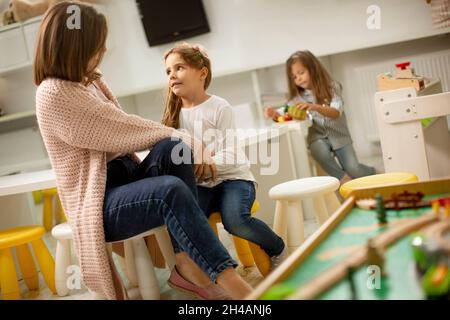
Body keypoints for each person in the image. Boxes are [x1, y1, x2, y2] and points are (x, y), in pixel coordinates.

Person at [34, 1, 252, 300]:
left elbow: (130, 130)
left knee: (172, 146)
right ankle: (234, 286)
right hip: (100, 202)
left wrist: (184, 141)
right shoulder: (54, 93)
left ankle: (186, 264)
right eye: (98, 44)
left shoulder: (91, 82)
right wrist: (193, 141)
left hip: (125, 178)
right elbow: (123, 128)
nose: (104, 51)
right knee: (169, 188)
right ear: (76, 44)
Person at [161, 43, 288, 271]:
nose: (172, 75)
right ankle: (220, 269)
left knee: (236, 221)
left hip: (234, 180)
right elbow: (176, 160)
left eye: (179, 68)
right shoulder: (173, 116)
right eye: (168, 71)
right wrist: (198, 164)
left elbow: (230, 156)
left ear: (202, 72)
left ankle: (277, 247)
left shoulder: (220, 107)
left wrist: (201, 162)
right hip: (201, 185)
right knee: (188, 220)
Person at [264, 50, 375, 184]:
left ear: (313, 69)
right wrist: (274, 113)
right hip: (317, 137)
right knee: (317, 149)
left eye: (301, 73)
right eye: (294, 77)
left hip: (339, 136)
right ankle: (342, 179)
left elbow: (335, 112)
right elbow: (286, 111)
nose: (298, 78)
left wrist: (315, 107)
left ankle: (374, 172)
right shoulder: (297, 98)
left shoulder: (332, 87)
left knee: (354, 168)